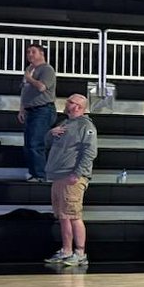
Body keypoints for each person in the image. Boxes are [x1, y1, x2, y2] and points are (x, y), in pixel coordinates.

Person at [42, 94, 97, 267]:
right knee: (63, 216)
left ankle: (80, 253)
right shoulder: (65, 123)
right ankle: (66, 250)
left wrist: (78, 173)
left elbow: (89, 152)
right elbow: (46, 143)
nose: (67, 104)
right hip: (58, 175)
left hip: (71, 176)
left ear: (79, 107)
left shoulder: (86, 126)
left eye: (71, 102)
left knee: (73, 215)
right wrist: (51, 134)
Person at [19, 43, 57, 183]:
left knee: (36, 143)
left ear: (41, 53)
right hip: (30, 110)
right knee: (29, 143)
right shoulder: (29, 69)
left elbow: (42, 87)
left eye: (33, 52)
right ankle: (33, 173)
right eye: (28, 52)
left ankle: (40, 175)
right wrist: (22, 108)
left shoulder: (47, 69)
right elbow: (24, 91)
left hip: (43, 110)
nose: (30, 54)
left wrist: (30, 79)